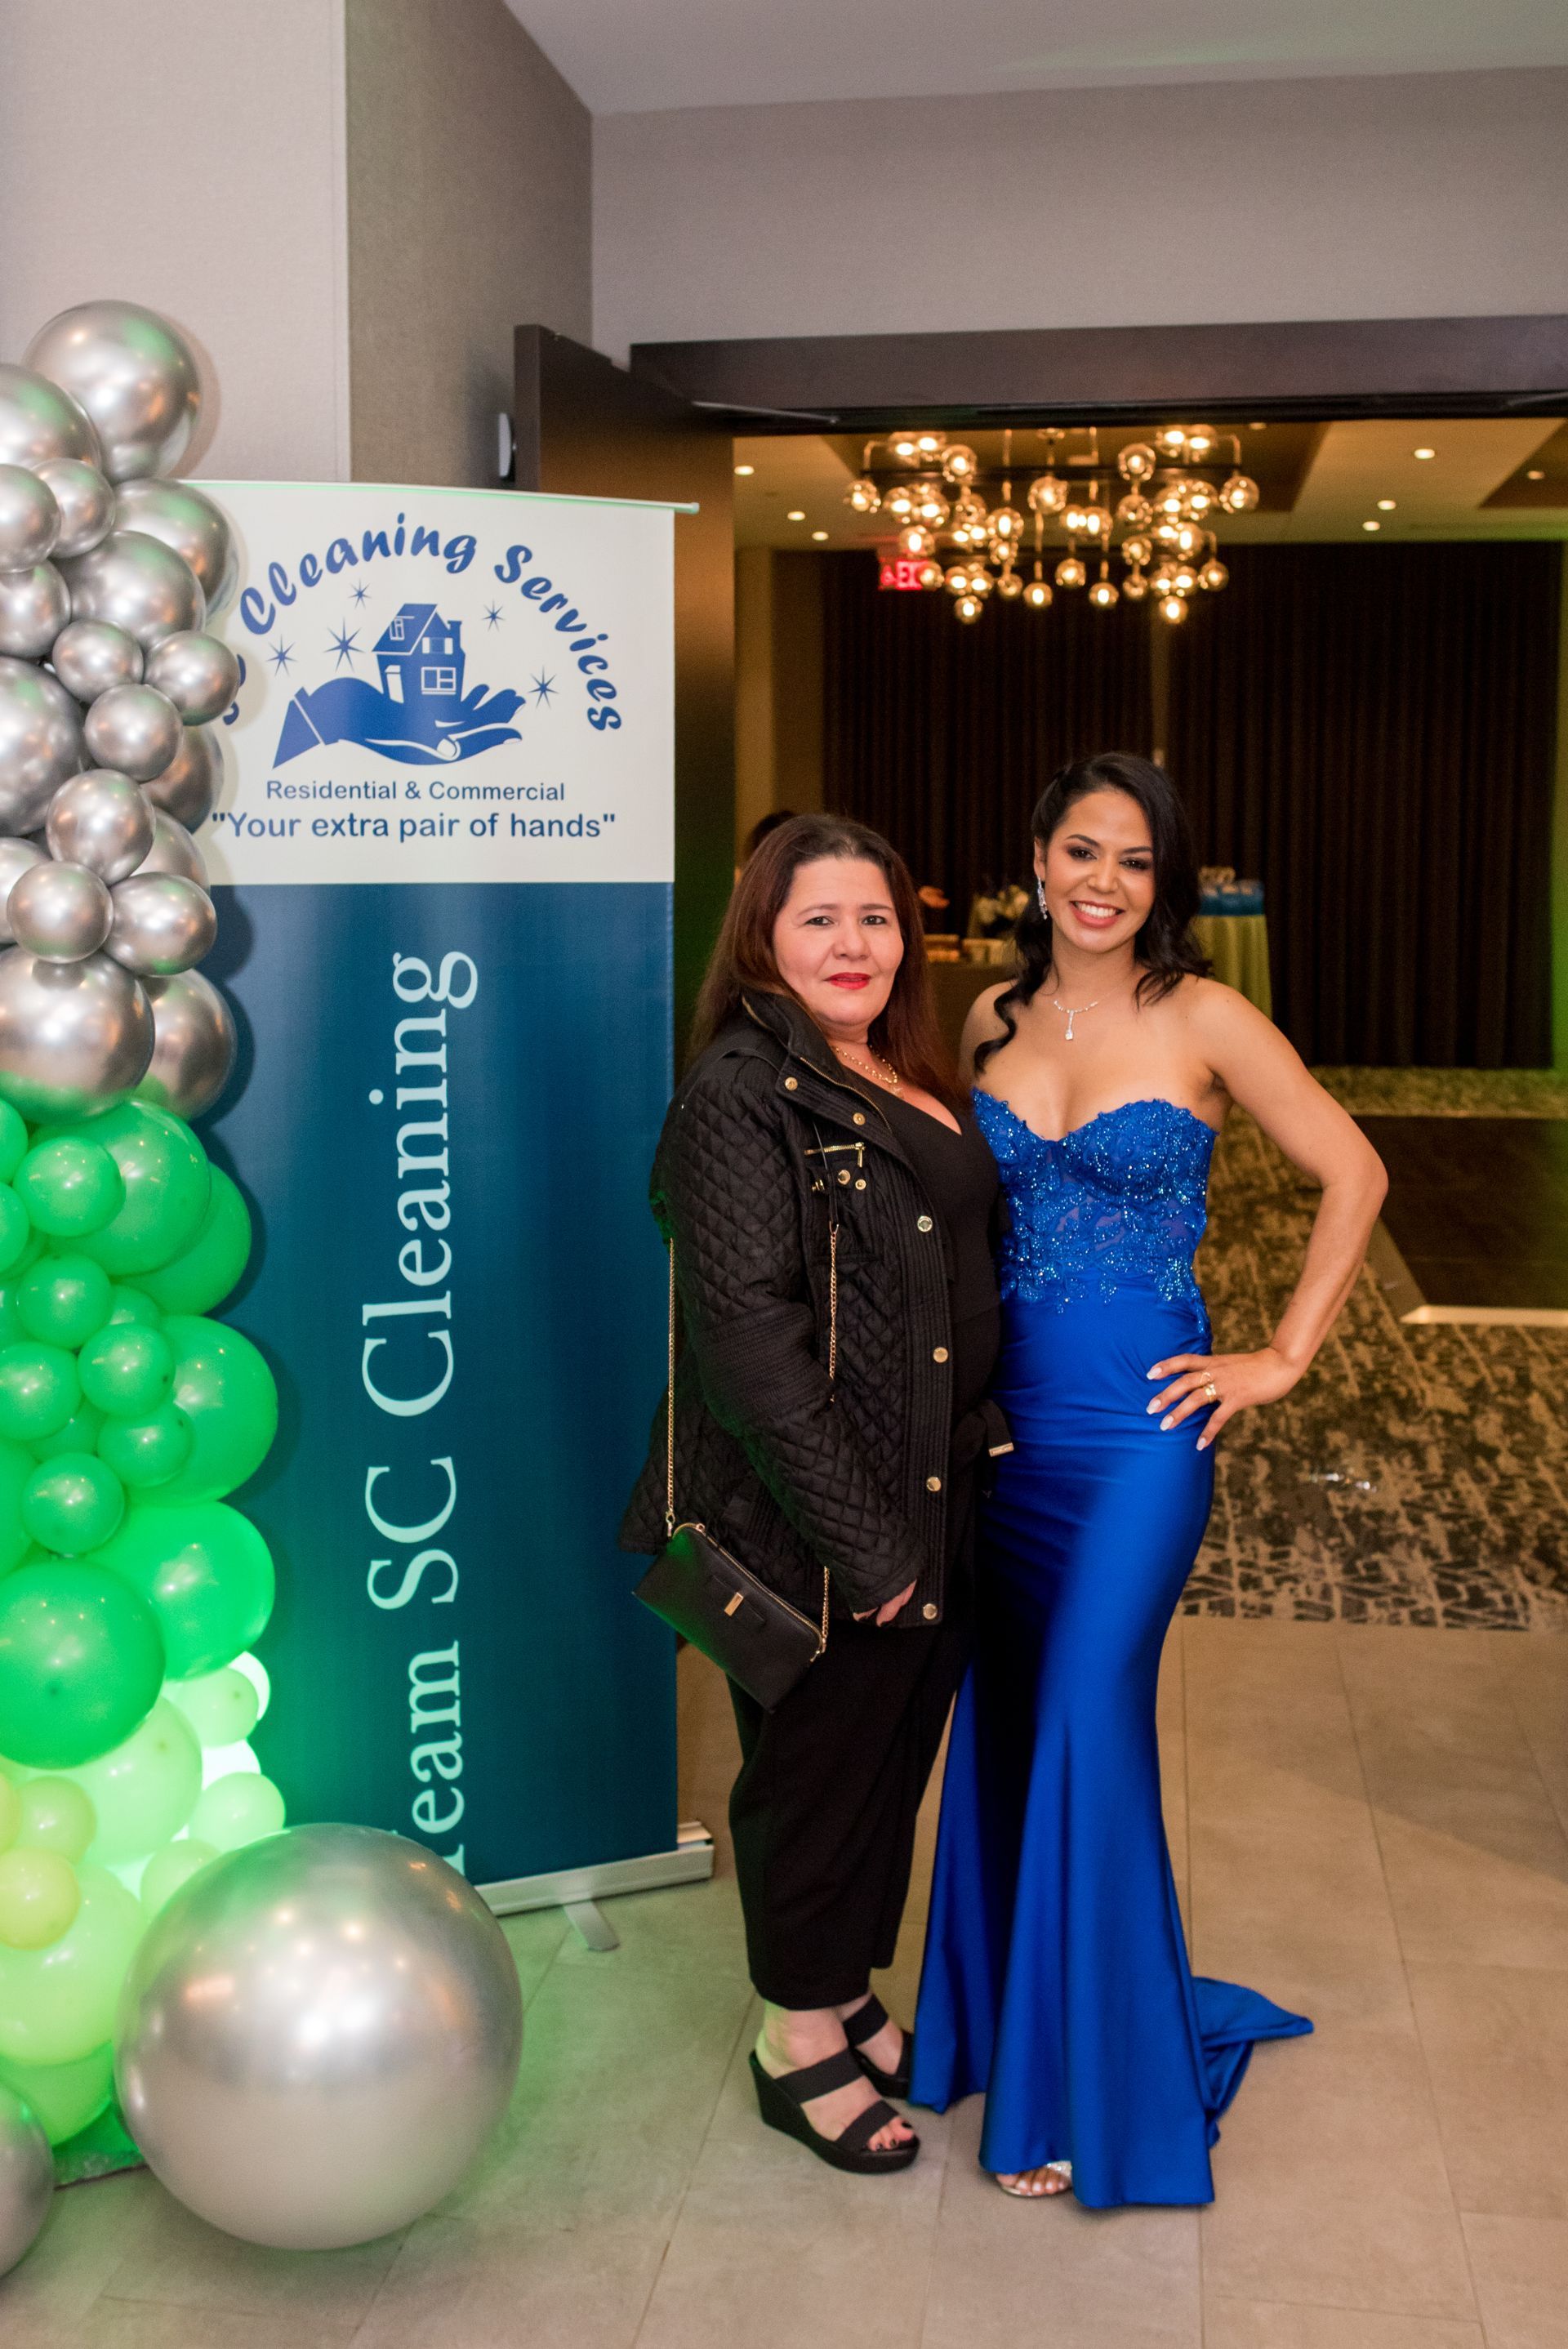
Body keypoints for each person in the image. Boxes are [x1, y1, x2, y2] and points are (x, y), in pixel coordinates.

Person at [911, 752, 1387, 2207]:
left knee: (1081, 1717)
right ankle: (1004, 2021)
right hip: (1002, 1439)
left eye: (1133, 860)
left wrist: (1282, 1356)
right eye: (1079, 851)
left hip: (1142, 1438)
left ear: (1161, 882)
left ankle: (1078, 2088)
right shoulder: (988, 1015)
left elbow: (1354, 1172)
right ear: (1036, 861)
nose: (1103, 882)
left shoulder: (1209, 1017)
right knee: (998, 1722)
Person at [621, 813, 1008, 2175]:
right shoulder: (740, 1092)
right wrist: (871, 1549)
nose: (855, 945)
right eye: (819, 921)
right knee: (814, 1786)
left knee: (883, 1769)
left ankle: (841, 1991)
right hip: (822, 1523)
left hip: (933, 1494)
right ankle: (795, 2044)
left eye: (877, 919)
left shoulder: (890, 1067)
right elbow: (748, 1350)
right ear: (765, 942)